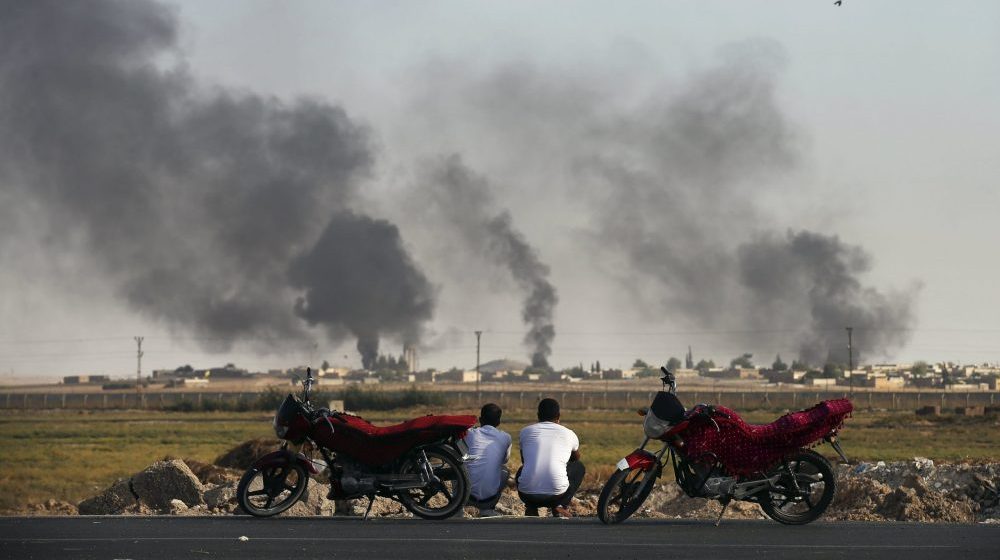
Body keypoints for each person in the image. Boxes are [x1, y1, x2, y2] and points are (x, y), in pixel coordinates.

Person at [516, 397, 585, 518]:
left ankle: (531, 507)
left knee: (522, 470)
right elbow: (576, 458)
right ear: (559, 416)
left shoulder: (525, 432)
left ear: (538, 415)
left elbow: (524, 460)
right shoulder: (569, 433)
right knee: (579, 467)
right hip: (557, 495)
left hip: (527, 494)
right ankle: (560, 506)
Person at [462, 403, 511, 517]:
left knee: (458, 465)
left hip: (465, 496)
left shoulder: (469, 433)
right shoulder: (506, 437)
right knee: (504, 471)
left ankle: (457, 508)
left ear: (480, 419)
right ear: (498, 422)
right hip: (488, 500)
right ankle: (488, 508)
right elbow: (504, 461)